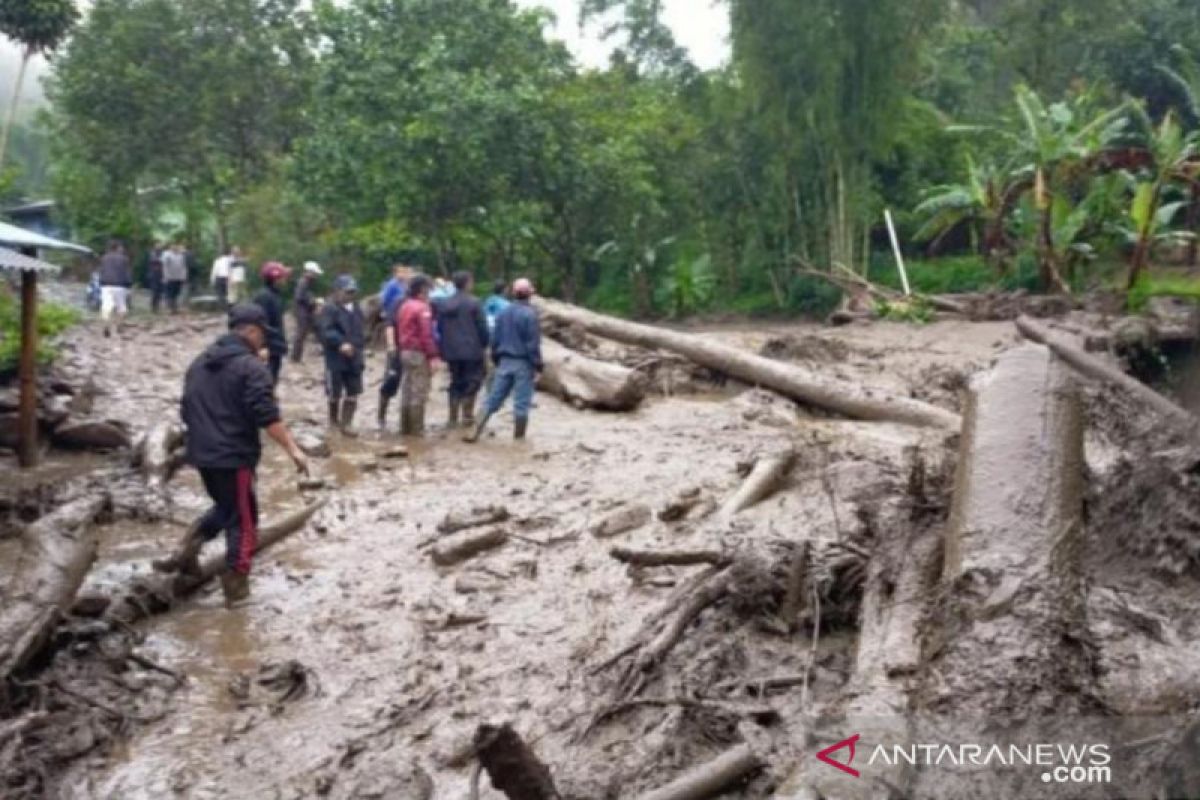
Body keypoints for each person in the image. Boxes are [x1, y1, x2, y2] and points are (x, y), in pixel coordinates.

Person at [154, 303, 309, 607]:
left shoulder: (199, 363)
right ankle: (236, 589)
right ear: (251, 331)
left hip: (202, 453)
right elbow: (266, 414)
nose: (264, 341)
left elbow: (186, 406)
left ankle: (186, 551)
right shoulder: (252, 368)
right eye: (263, 334)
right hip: (233, 455)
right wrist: (293, 449)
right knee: (245, 519)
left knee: (226, 507)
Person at [466, 278, 542, 442]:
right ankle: (518, 439)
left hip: (504, 361)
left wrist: (496, 359)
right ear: (530, 294)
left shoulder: (503, 313)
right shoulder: (531, 315)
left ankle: (474, 431)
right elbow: (533, 344)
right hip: (523, 363)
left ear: (514, 293)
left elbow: (495, 340)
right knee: (521, 402)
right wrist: (538, 366)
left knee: (493, 397)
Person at [435, 271, 489, 428]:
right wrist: (484, 344)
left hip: (451, 351)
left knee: (455, 381)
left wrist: (443, 346)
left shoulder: (444, 304)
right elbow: (482, 328)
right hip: (472, 350)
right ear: (467, 283)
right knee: (474, 380)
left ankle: (452, 417)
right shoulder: (475, 303)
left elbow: (439, 327)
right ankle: (467, 415)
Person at [319, 275, 367, 436]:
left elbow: (360, 331)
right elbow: (326, 331)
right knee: (334, 392)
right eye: (347, 292)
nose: (350, 295)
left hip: (355, 355)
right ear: (337, 291)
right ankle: (333, 421)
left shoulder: (357, 308)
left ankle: (347, 424)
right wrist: (340, 343)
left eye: (352, 292)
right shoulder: (330, 308)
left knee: (354, 391)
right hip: (335, 357)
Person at [396, 275, 440, 436]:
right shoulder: (423, 308)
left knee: (407, 389)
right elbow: (426, 334)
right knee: (419, 391)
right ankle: (417, 430)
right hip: (418, 353)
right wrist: (433, 356)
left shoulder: (404, 306)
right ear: (423, 290)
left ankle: (404, 427)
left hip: (405, 351)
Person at [377, 264, 411, 430]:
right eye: (403, 272)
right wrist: (391, 345)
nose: (405, 275)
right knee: (391, 380)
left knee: (412, 386)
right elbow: (389, 323)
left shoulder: (424, 302)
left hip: (413, 349)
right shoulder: (397, 296)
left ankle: (407, 423)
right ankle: (381, 417)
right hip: (398, 345)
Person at [253, 262, 292, 385]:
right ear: (275, 279)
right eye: (282, 278)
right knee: (265, 380)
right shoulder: (264, 297)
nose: (285, 281)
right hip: (268, 347)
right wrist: (263, 346)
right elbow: (261, 323)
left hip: (275, 346)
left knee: (272, 379)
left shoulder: (274, 296)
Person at [98, 240, 133, 337]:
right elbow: (127, 273)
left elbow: (101, 271)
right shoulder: (124, 259)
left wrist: (101, 282)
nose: (122, 249)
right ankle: (119, 326)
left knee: (106, 306)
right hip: (120, 285)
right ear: (118, 248)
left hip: (106, 285)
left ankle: (106, 325)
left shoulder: (104, 258)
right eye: (121, 247)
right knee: (122, 307)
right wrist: (129, 285)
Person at [291, 261, 323, 362]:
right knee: (301, 333)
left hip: (305, 310)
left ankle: (297, 356)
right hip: (302, 311)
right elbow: (299, 297)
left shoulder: (306, 283)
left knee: (316, 328)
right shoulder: (303, 282)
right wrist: (313, 301)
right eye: (315, 274)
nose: (316, 276)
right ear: (309, 272)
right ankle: (295, 357)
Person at [162, 242, 189, 313]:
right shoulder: (167, 254)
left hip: (179, 277)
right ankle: (171, 308)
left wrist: (184, 276)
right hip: (170, 277)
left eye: (176, 246)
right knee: (170, 293)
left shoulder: (181, 255)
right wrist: (165, 276)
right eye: (173, 246)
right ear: (170, 247)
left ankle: (175, 307)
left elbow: (184, 266)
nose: (174, 247)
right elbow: (164, 265)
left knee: (177, 293)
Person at [147, 243, 165, 314]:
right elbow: (153, 261)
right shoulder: (153, 254)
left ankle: (157, 306)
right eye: (158, 246)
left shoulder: (162, 254)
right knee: (155, 291)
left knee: (159, 292)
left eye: (160, 246)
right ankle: (153, 306)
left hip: (161, 275)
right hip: (154, 275)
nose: (159, 247)